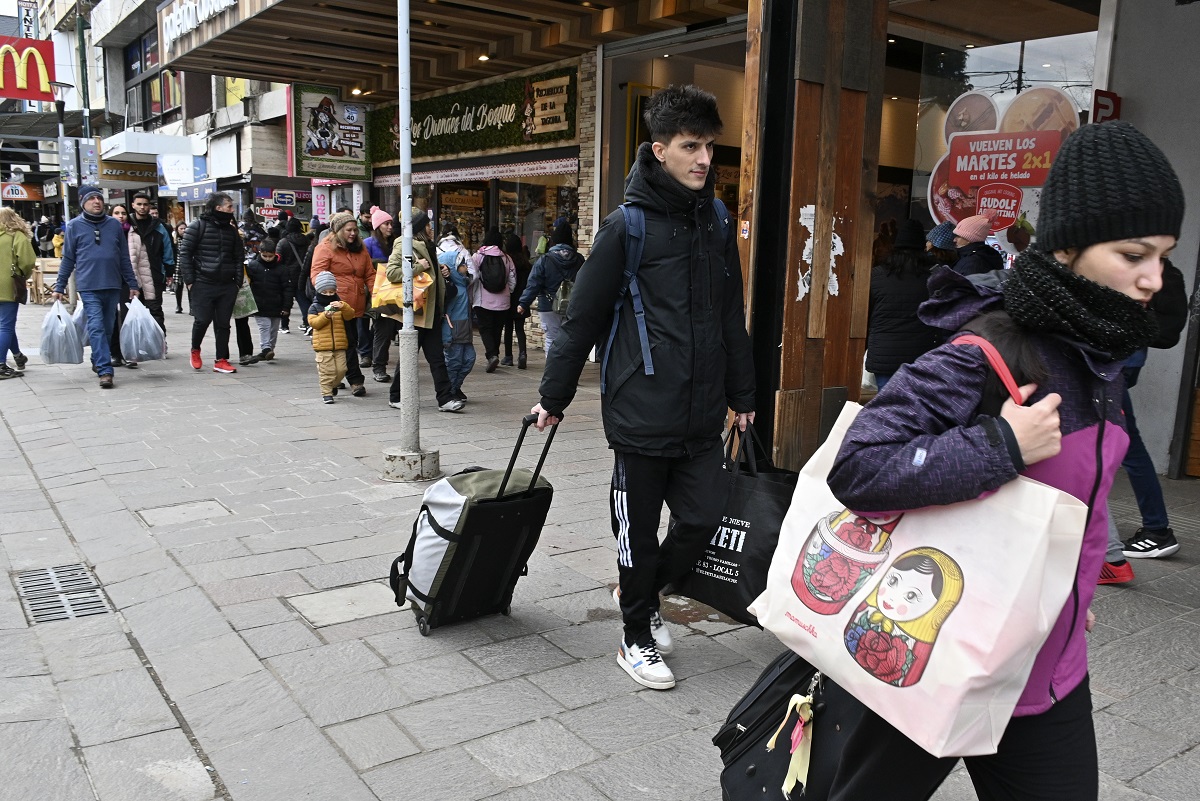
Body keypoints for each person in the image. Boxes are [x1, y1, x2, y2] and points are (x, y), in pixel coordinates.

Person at [823, 120, 1183, 801]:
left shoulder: (1101, 357)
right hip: (936, 659)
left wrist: (1071, 590)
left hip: (1049, 675)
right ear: (1068, 246)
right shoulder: (990, 348)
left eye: (1163, 256)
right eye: (1135, 253)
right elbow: (858, 467)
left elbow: (1080, 498)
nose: (1152, 279)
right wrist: (1001, 446)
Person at [532, 85, 756, 690]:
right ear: (659, 150)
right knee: (636, 528)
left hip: (705, 412)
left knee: (704, 518)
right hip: (641, 411)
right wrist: (553, 400)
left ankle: (647, 593)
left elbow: (731, 315)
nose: (704, 159)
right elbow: (581, 322)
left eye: (710, 146)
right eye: (691, 146)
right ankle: (635, 635)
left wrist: (744, 397)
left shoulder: (715, 220)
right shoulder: (624, 228)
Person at [1098, 258, 1189, 584]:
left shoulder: (1156, 269)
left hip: (1116, 363)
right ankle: (1152, 528)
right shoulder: (1146, 264)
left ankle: (1153, 530)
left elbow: (1168, 329)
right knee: (1119, 445)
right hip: (1116, 362)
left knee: (1121, 446)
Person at [52, 185, 140, 389]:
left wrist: (132, 283)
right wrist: (60, 285)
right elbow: (68, 259)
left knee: (108, 326)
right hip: (89, 285)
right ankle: (105, 369)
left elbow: (124, 257)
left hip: (112, 284)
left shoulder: (114, 225)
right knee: (97, 325)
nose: (96, 201)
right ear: (83, 202)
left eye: (99, 198)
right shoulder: (74, 226)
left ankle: (98, 358)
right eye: (91, 198)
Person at [386, 209, 463, 412]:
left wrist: (441, 270)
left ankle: (445, 399)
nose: (432, 229)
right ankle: (396, 396)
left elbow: (429, 271)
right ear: (420, 228)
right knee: (409, 358)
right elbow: (392, 273)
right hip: (417, 313)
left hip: (432, 313)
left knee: (437, 359)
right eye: (428, 225)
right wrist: (418, 267)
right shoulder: (405, 245)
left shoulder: (428, 246)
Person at [866, 219, 943, 392]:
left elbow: (866, 314)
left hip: (884, 354)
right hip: (921, 355)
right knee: (916, 408)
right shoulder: (935, 277)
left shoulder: (877, 275)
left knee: (886, 406)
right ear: (922, 246)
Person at [178, 193, 243, 374]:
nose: (232, 210)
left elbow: (239, 257)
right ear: (218, 208)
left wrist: (237, 282)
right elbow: (185, 255)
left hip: (227, 284)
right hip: (203, 283)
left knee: (223, 323)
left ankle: (221, 359)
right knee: (202, 320)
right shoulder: (197, 227)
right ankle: (195, 350)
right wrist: (190, 281)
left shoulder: (231, 231)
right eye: (229, 206)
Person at [310, 210, 372, 396]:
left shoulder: (360, 248)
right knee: (347, 343)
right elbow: (317, 275)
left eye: (355, 230)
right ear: (337, 231)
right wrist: (328, 298)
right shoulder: (325, 248)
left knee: (349, 342)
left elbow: (369, 273)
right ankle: (355, 380)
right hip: (335, 305)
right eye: (348, 230)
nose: (353, 233)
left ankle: (336, 378)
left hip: (355, 305)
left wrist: (376, 292)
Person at [517, 221, 584, 356]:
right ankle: (566, 371)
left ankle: (552, 372)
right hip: (572, 305)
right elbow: (586, 283)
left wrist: (524, 303)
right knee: (568, 339)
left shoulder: (545, 260)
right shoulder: (579, 259)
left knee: (551, 338)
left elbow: (534, 283)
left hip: (548, 305)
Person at [471, 227, 516, 373]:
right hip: (503, 301)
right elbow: (512, 280)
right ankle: (494, 354)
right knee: (497, 329)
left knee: (485, 329)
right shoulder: (507, 258)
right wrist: (508, 292)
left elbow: (472, 276)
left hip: (483, 300)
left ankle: (492, 355)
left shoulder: (478, 256)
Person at [0, 207, 36, 379]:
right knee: (5, 325)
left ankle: (17, 355)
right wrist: (23, 274)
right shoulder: (16, 235)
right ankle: (0, 364)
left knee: (4, 325)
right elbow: (28, 261)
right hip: (8, 286)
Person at [308, 270, 354, 404]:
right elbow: (314, 323)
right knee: (327, 371)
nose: (328, 295)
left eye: (331, 292)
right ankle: (327, 393)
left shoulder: (339, 304)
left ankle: (334, 385)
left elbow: (350, 315)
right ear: (319, 292)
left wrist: (343, 306)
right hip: (323, 346)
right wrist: (325, 316)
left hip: (340, 344)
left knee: (341, 369)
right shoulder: (314, 307)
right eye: (325, 292)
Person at [129, 193, 170, 331]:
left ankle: (159, 343)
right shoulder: (126, 225)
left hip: (154, 274)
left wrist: (168, 271)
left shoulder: (158, 226)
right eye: (139, 204)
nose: (142, 207)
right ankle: (136, 344)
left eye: (145, 204)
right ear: (133, 205)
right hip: (131, 275)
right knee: (132, 311)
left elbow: (168, 250)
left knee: (155, 310)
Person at [246, 238, 291, 361]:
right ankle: (266, 348)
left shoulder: (281, 269)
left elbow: (287, 288)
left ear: (274, 254)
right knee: (264, 326)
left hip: (276, 304)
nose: (267, 258)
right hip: (259, 303)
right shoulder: (254, 266)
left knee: (274, 329)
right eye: (264, 256)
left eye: (270, 256)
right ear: (260, 252)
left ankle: (270, 348)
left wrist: (286, 306)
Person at [441, 248, 476, 402]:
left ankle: (455, 387)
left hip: (465, 332)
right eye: (462, 265)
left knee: (469, 359)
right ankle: (450, 391)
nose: (465, 268)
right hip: (453, 332)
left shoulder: (463, 285)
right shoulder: (450, 287)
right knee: (454, 363)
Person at [501, 233, 531, 368]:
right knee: (520, 328)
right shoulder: (526, 263)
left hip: (509, 298)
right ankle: (522, 354)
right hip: (522, 299)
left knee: (508, 328)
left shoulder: (507, 261)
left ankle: (508, 356)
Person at [275, 218, 308, 334]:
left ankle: (284, 325)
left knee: (286, 301)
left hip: (287, 276)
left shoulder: (283, 242)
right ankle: (307, 323)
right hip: (302, 275)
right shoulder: (306, 240)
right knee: (303, 300)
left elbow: (278, 260)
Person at [172, 222, 188, 313]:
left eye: (185, 228)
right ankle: (178, 305)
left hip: (188, 264)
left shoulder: (190, 239)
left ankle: (192, 307)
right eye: (181, 229)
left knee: (190, 286)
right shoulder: (175, 240)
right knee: (178, 286)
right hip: (177, 265)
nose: (183, 230)